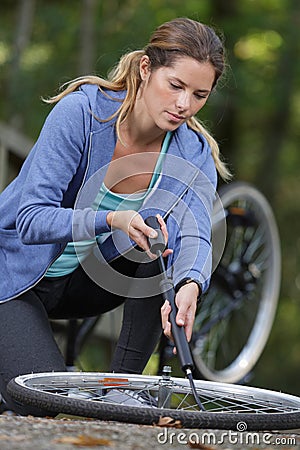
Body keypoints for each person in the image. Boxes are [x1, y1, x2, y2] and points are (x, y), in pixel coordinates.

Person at [0, 17, 230, 415]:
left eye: (199, 95)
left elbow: (194, 231)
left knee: (163, 242)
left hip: (81, 285)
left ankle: (123, 390)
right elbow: (31, 219)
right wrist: (109, 219)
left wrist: (191, 282)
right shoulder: (83, 114)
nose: (183, 105)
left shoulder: (192, 152)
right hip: (14, 278)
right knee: (42, 404)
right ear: (145, 69)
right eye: (175, 86)